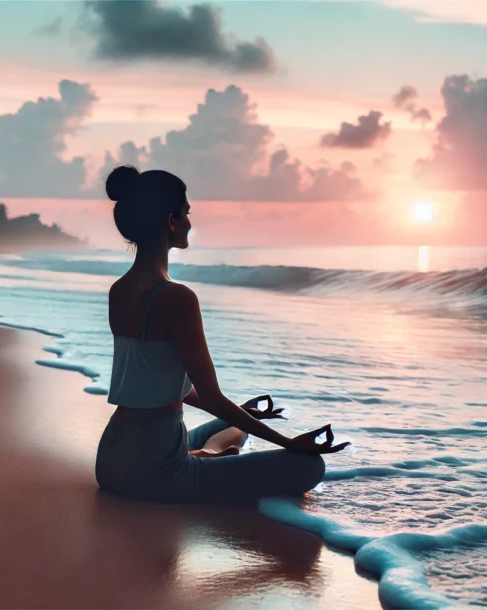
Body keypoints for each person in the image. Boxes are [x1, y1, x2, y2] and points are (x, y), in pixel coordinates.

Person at [95, 165, 349, 504]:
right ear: (170, 221)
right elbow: (213, 397)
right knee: (308, 468)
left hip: (111, 458)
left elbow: (150, 381)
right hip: (153, 471)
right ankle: (205, 460)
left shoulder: (119, 290)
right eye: (185, 213)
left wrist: (239, 411)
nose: (189, 222)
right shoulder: (177, 297)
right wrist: (289, 443)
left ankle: (210, 456)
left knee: (238, 426)